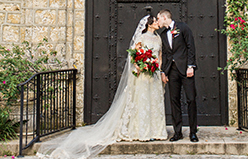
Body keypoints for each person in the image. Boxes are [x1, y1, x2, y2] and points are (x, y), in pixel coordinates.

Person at [37, 15, 167, 159]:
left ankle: (156, 131)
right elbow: (134, 56)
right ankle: (142, 131)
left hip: (153, 75)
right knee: (142, 103)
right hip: (142, 75)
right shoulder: (141, 38)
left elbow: (159, 56)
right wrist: (141, 66)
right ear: (149, 24)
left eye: (156, 21)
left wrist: (157, 68)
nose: (157, 23)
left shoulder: (158, 39)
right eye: (155, 21)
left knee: (153, 102)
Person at [157, 9, 198, 142]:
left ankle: (193, 132)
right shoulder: (163, 34)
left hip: (186, 70)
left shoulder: (183, 28)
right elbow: (165, 54)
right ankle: (177, 132)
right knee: (174, 101)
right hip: (172, 71)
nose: (157, 21)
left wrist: (190, 66)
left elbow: (191, 47)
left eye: (158, 19)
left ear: (164, 17)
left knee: (191, 99)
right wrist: (163, 72)